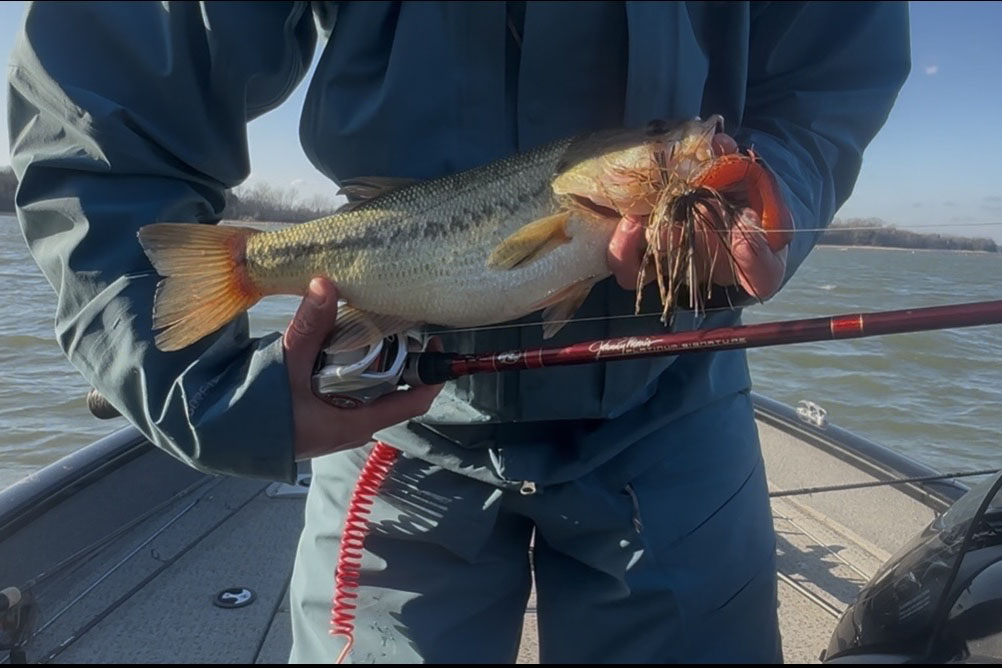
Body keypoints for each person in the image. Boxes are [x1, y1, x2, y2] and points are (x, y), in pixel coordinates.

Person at [8, 1, 910, 663]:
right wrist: (197, 382)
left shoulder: (629, 190)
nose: (688, 143)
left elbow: (830, 68)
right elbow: (102, 111)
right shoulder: (575, 202)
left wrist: (765, 187)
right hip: (389, 421)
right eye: (667, 140)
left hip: (673, 390)